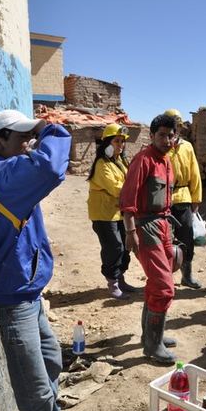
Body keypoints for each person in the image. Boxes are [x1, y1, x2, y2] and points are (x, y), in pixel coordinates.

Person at [0, 109, 77, 411]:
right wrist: (50, 128)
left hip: (29, 294)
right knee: (34, 394)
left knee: (51, 363)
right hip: (12, 303)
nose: (30, 144)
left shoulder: (6, 171)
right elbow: (49, 167)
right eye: (22, 138)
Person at [120, 114, 178, 364]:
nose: (167, 139)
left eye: (171, 134)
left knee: (158, 284)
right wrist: (131, 233)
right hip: (146, 228)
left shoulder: (166, 161)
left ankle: (153, 335)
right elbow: (128, 199)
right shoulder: (142, 160)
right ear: (152, 136)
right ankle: (152, 346)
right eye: (162, 135)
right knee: (164, 287)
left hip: (164, 225)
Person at [86, 123, 139, 299]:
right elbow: (117, 189)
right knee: (113, 247)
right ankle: (112, 282)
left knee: (125, 246)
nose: (121, 145)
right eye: (117, 141)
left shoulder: (120, 162)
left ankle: (120, 278)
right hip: (104, 214)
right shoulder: (102, 164)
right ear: (108, 143)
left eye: (122, 142)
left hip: (119, 212)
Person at [164, 108, 203, 289]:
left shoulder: (187, 147)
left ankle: (187, 275)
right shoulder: (162, 148)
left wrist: (196, 199)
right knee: (165, 240)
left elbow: (194, 173)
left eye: (177, 126)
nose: (175, 129)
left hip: (184, 197)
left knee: (186, 238)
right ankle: (165, 279)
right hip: (163, 200)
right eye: (172, 126)